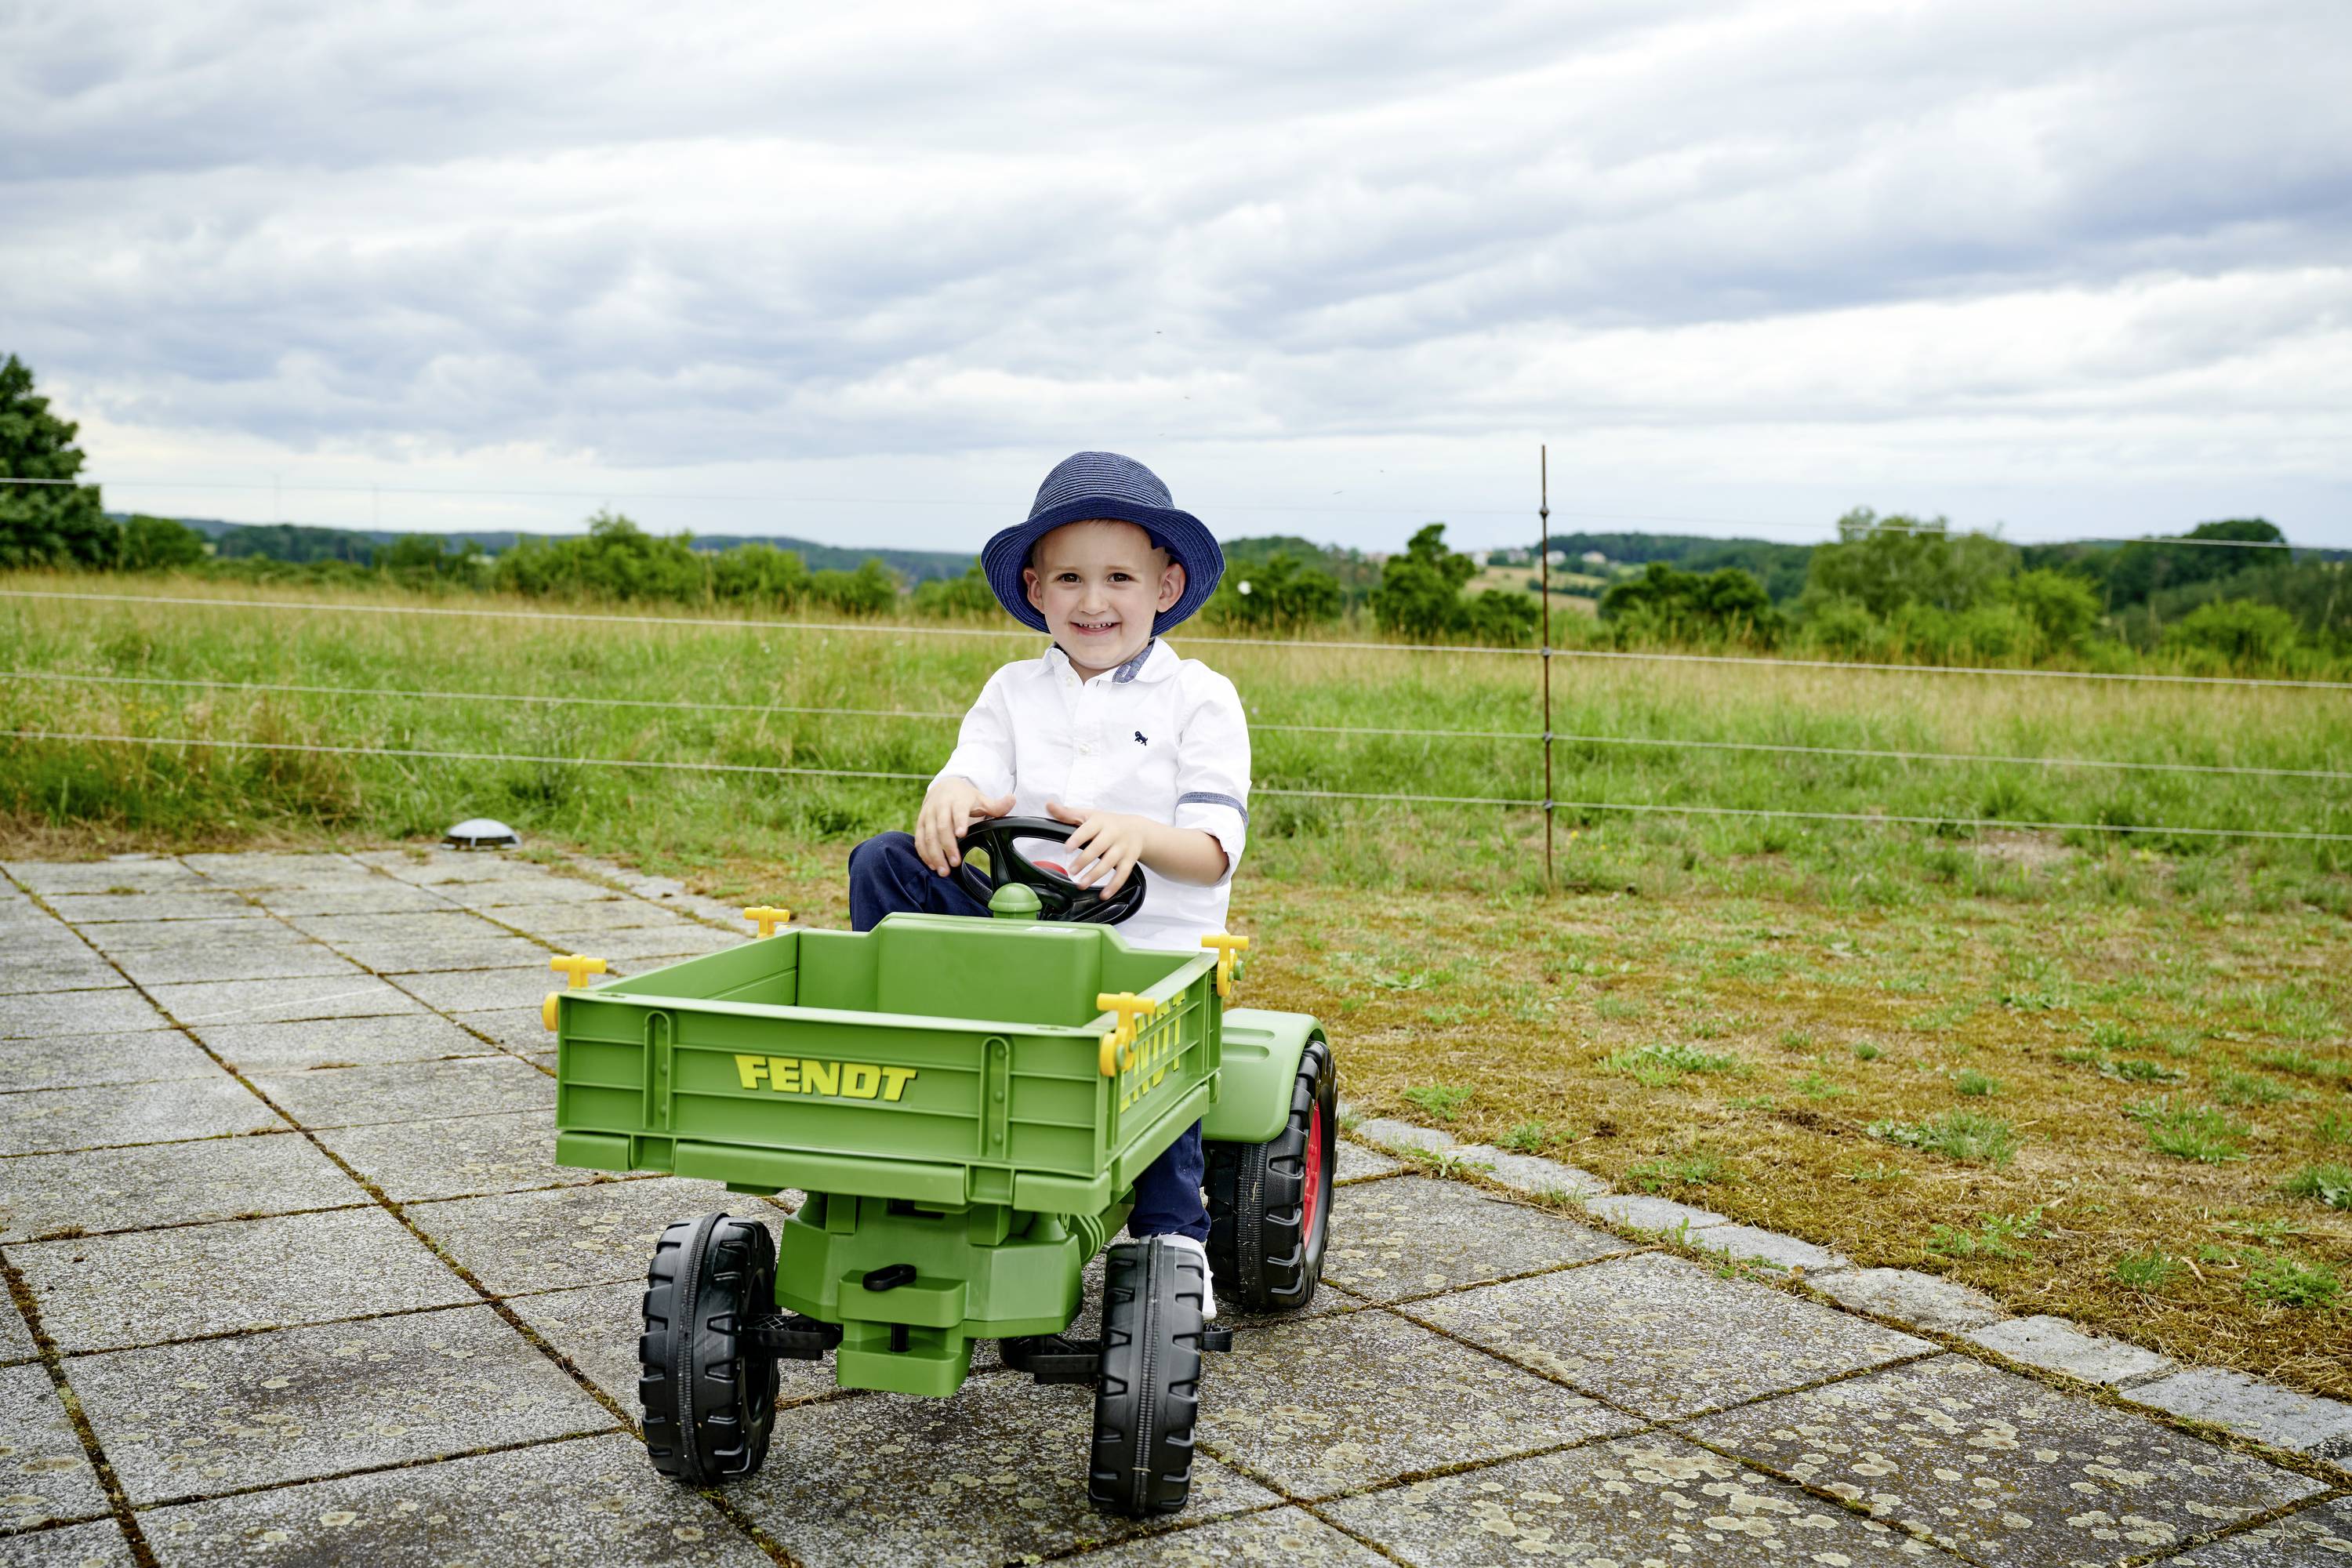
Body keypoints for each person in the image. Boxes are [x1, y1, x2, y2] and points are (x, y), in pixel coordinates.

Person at [846, 450, 1249, 1316]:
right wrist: (949, 794)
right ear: (1035, 589)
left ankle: (1173, 1230)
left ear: (1166, 584)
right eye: (1069, 577)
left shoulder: (1200, 699)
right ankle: (913, 1066)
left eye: (1118, 577)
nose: (1092, 601)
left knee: (1164, 1050)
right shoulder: (1013, 690)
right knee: (882, 858)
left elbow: (1215, 848)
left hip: (1145, 953)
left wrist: (1141, 834)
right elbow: (971, 772)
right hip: (1021, 935)